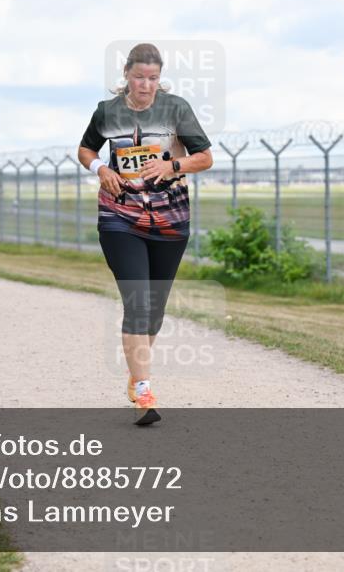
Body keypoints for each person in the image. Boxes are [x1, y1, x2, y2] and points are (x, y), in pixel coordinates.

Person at [77, 43, 213, 425]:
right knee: (137, 301)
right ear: (126, 74)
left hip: (170, 220)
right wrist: (101, 170)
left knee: (154, 309)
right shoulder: (107, 112)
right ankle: (144, 390)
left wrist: (173, 165)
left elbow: (205, 157)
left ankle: (135, 375)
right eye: (139, 77)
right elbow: (86, 149)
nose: (146, 85)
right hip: (120, 216)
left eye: (153, 78)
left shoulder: (177, 109)